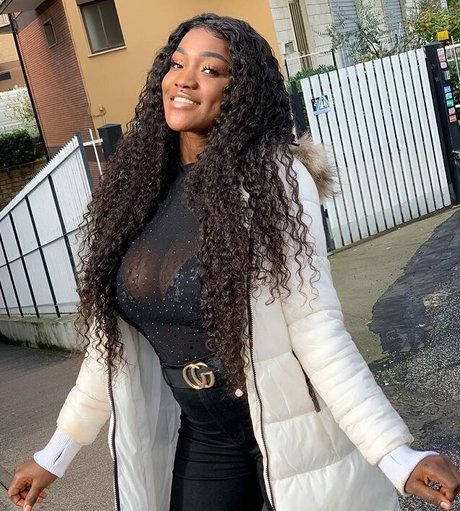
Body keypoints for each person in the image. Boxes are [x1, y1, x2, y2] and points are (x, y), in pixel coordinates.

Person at [8, 13, 460, 511]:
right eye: (177, 64)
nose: (184, 79)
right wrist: (55, 454)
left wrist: (395, 455)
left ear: (238, 91)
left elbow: (316, 327)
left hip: (290, 430)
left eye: (210, 70)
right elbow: (108, 353)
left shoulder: (274, 180)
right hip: (204, 435)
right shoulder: (137, 189)